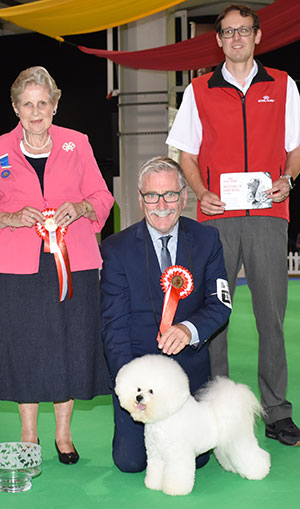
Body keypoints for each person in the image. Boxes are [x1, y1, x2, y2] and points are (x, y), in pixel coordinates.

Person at [166, 3, 300, 446]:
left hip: (267, 217)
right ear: (219, 40)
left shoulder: (283, 85)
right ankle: (213, 408)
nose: (237, 38)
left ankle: (277, 412)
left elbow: (295, 148)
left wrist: (287, 178)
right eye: (228, 32)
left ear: (258, 36)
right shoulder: (198, 90)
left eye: (244, 31)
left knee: (271, 318)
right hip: (215, 220)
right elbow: (185, 154)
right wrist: (200, 192)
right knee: (212, 315)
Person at [0, 66, 114, 463]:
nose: (36, 112)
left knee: (69, 343)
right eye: (27, 104)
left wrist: (81, 207)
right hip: (17, 267)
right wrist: (11, 217)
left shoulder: (77, 143)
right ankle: (28, 432)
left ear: (55, 105)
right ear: (15, 108)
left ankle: (64, 434)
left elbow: (103, 196)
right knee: (25, 346)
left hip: (74, 263)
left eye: (43, 104)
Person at [100, 156, 231, 472]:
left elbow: (221, 303)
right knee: (131, 463)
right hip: (139, 378)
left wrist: (188, 329)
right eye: (152, 196)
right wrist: (129, 385)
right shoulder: (116, 248)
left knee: (195, 459)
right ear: (140, 198)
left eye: (170, 194)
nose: (162, 204)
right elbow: (113, 324)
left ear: (184, 196)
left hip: (189, 374)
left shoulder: (207, 239)